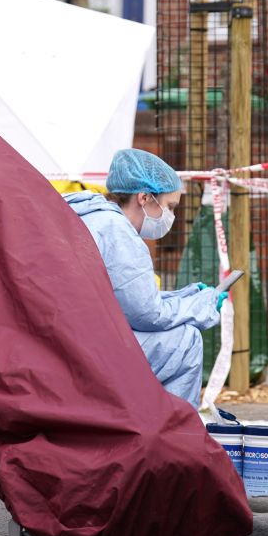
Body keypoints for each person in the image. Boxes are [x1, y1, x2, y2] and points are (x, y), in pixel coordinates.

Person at [64, 148, 225, 409]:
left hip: (69, 341)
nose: (170, 216)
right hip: (86, 353)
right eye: (170, 206)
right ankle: (175, 439)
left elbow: (121, 300)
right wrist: (200, 306)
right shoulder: (118, 231)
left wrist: (183, 297)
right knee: (186, 341)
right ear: (144, 198)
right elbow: (147, 315)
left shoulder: (88, 215)